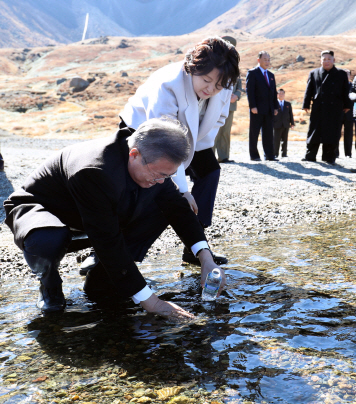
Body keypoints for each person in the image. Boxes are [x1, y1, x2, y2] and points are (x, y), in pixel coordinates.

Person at [3, 118, 225, 316]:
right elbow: (107, 239)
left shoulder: (152, 162)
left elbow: (178, 209)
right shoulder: (94, 170)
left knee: (164, 206)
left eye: (167, 176)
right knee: (48, 240)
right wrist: (152, 302)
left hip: (95, 212)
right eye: (159, 175)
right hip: (45, 211)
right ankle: (50, 284)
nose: (161, 181)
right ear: (134, 154)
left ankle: (101, 279)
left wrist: (206, 259)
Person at [106, 36, 239, 269]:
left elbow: (218, 119)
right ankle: (106, 250)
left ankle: (196, 245)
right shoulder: (168, 84)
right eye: (206, 80)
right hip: (145, 130)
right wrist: (183, 190)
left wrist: (196, 148)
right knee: (148, 189)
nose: (211, 89)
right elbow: (166, 142)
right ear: (192, 68)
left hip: (192, 136)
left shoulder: (223, 84)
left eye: (217, 85)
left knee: (210, 172)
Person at [302, 50, 351, 164]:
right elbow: (309, 90)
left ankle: (329, 157)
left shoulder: (341, 73)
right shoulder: (314, 73)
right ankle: (310, 156)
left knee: (332, 133)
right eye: (324, 59)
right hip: (318, 107)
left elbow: (345, 91)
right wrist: (306, 104)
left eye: (329, 59)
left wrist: (347, 105)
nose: (326, 61)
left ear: (334, 60)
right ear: (321, 60)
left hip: (335, 109)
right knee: (314, 132)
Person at [246, 51, 280, 161]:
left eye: (268, 59)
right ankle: (254, 155)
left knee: (269, 133)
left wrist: (275, 107)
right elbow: (250, 91)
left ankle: (270, 155)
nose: (267, 61)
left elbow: (274, 93)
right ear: (258, 60)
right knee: (254, 133)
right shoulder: (252, 73)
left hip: (269, 109)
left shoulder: (271, 75)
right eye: (265, 59)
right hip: (257, 109)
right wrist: (252, 106)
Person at [214, 36, 243, 164]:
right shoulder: (214, 63)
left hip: (230, 105)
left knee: (225, 132)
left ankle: (224, 157)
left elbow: (239, 86)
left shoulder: (235, 65)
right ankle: (209, 157)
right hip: (215, 104)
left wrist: (236, 95)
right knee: (212, 130)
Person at [272, 88, 295, 158]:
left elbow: (290, 114)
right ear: (277, 95)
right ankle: (275, 153)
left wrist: (292, 123)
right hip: (276, 124)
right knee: (276, 140)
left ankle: (284, 153)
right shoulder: (274, 103)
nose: (281, 95)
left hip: (285, 124)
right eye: (279, 93)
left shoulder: (288, 104)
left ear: (284, 95)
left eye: (282, 93)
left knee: (285, 140)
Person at [339, 69, 355, 158]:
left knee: (348, 134)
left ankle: (348, 153)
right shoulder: (337, 86)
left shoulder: (353, 87)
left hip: (350, 114)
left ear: (350, 76)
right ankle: (335, 153)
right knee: (336, 133)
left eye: (347, 74)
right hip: (338, 113)